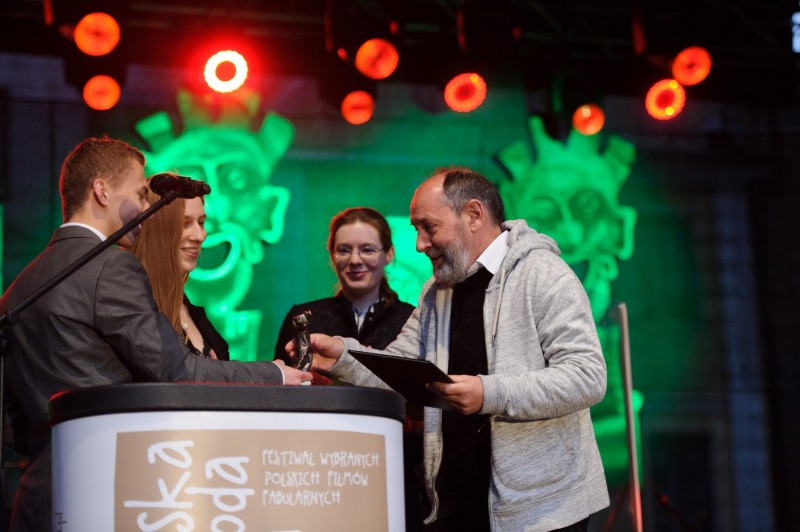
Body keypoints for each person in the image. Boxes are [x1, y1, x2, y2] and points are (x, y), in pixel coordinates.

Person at [0, 137, 312, 531]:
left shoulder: (20, 286)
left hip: (37, 498)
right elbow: (177, 371)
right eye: (138, 195)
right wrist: (275, 374)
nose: (145, 210)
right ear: (102, 191)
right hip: (106, 495)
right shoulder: (111, 267)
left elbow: (9, 419)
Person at [284, 167, 609, 531]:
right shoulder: (436, 291)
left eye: (429, 227)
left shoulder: (543, 273)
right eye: (416, 230)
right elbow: (402, 370)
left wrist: (488, 393)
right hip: (457, 504)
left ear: (473, 215)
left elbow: (587, 377)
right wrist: (343, 356)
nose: (420, 244)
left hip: (544, 511)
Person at [273, 207, 424, 530]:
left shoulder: (413, 320)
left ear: (389, 254)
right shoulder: (304, 318)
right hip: (318, 468)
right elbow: (280, 399)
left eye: (367, 249)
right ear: (331, 255)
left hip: (397, 469)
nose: (355, 260)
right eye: (344, 250)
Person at [130, 186, 229, 360]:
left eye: (201, 223)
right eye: (185, 224)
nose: (200, 236)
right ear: (155, 228)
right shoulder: (134, 309)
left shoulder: (191, 311)